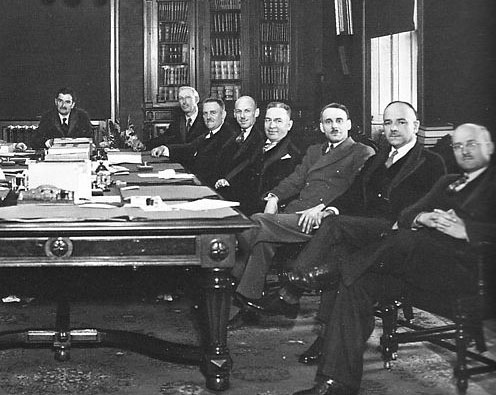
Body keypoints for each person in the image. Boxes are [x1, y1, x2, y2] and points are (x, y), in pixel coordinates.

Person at [293, 123, 496, 395]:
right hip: (420, 270)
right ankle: (335, 383)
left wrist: (468, 231)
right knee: (356, 284)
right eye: (458, 146)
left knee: (403, 239)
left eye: (471, 143)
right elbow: (405, 215)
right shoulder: (449, 182)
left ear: (490, 147)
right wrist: (423, 217)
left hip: (469, 277)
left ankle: (336, 270)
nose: (464, 151)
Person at [253, 101, 447, 365]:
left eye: (401, 122)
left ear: (415, 125)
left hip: (396, 233)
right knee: (342, 259)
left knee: (335, 230)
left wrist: (333, 216)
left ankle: (298, 278)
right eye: (388, 123)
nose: (393, 128)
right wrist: (331, 209)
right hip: (364, 230)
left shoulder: (431, 162)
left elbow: (432, 204)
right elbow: (353, 194)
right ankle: (326, 336)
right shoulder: (379, 159)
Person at [229, 103, 375, 328]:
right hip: (296, 214)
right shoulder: (315, 151)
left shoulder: (361, 152)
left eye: (339, 121)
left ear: (349, 124)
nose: (334, 126)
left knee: (255, 222)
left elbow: (357, 194)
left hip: (321, 220)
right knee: (262, 243)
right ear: (321, 126)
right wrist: (274, 197)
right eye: (328, 122)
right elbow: (295, 180)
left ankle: (234, 280)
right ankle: (248, 303)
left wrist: (325, 208)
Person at [150, 97, 236, 188]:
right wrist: (164, 148)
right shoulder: (209, 133)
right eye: (205, 113)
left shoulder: (229, 135)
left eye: (213, 113)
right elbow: (190, 147)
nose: (208, 117)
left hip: (210, 188)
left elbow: (213, 169)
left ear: (223, 115)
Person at [214, 96, 265, 215]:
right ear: (234, 113)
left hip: (246, 198)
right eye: (239, 111)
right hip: (227, 193)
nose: (242, 116)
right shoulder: (234, 134)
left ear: (256, 113)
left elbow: (249, 167)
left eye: (247, 111)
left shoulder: (261, 137)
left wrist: (227, 180)